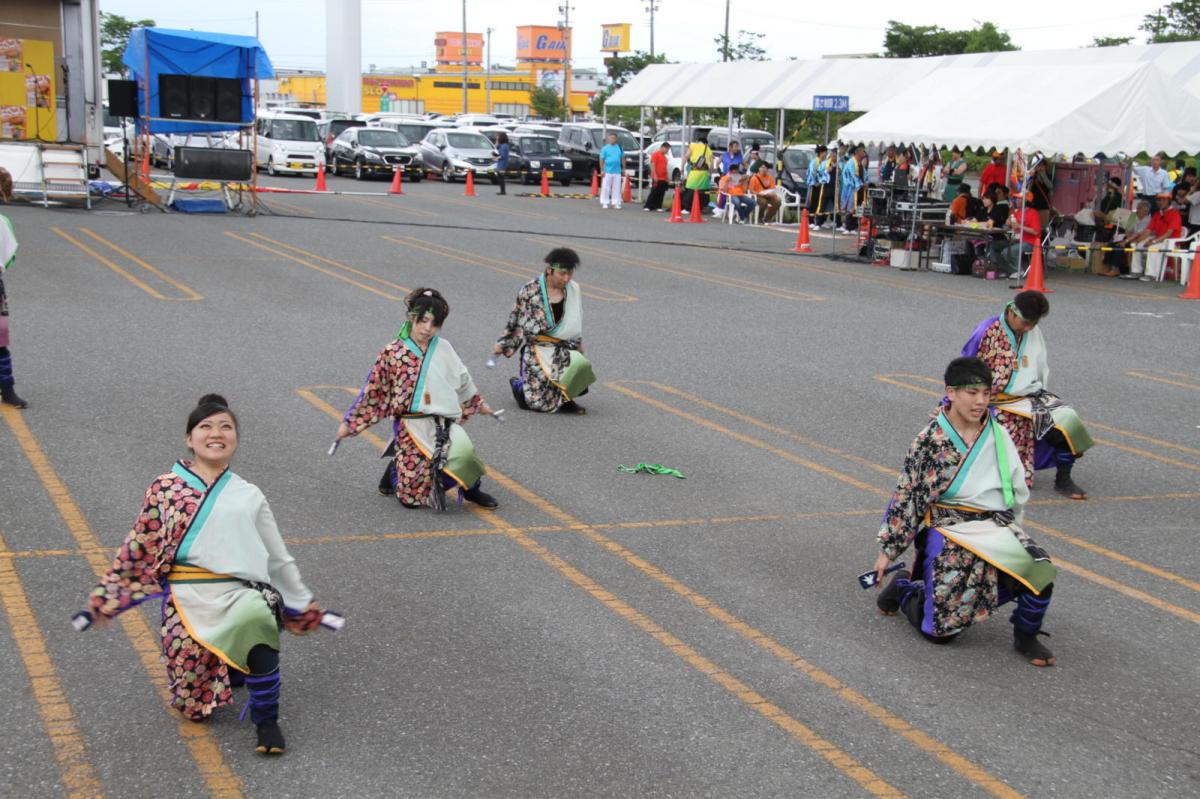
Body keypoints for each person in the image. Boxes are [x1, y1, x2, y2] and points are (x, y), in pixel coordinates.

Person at [86, 394, 324, 752]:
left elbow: (277, 556)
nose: (217, 433)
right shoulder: (164, 486)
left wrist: (299, 601)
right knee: (193, 707)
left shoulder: (248, 494)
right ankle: (229, 667)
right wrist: (110, 595)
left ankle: (267, 722)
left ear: (235, 439)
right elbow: (139, 543)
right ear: (190, 438)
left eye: (226, 427)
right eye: (206, 427)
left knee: (257, 623)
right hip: (186, 597)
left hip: (240, 593)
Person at [873, 357, 1057, 667]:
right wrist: (887, 552)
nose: (981, 401)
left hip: (993, 523)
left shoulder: (996, 432)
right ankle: (905, 588)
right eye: (972, 393)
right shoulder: (929, 441)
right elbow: (909, 497)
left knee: (1039, 571)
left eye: (986, 393)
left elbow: (1014, 481)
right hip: (949, 526)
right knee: (941, 633)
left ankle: (1026, 635)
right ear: (951, 392)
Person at [338, 288, 500, 510]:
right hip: (410, 426)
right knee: (412, 499)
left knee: (464, 455)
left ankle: (472, 489)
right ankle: (396, 469)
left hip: (442, 422)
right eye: (423, 321)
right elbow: (375, 391)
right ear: (412, 317)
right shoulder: (392, 352)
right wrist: (351, 424)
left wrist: (478, 403)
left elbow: (462, 378)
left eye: (434, 324)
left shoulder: (444, 348)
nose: (427, 328)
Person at [962, 291, 1094, 500]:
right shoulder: (986, 331)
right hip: (994, 400)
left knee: (1067, 419)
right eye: (1025, 323)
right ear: (1012, 312)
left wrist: (1039, 395)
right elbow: (965, 368)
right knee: (1007, 426)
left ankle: (1063, 479)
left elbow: (1039, 367)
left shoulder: (1033, 331)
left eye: (1033, 323)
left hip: (1028, 396)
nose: (1029, 328)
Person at [493, 247, 595, 415]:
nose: (567, 278)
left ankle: (567, 400)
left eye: (570, 273)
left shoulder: (573, 289)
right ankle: (519, 387)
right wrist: (504, 344)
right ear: (550, 270)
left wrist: (578, 343)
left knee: (579, 366)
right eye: (562, 273)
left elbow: (575, 320)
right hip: (538, 349)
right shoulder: (531, 290)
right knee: (536, 404)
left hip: (564, 347)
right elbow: (517, 320)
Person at [0, 168, 26, 408]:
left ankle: (7, 388)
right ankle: (7, 389)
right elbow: (9, 257)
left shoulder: (2, 222)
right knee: (0, 342)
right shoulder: (3, 222)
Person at [1123, 192, 1184, 281]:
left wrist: (1154, 241)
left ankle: (1151, 274)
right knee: (1138, 245)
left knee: (1152, 247)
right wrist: (1137, 241)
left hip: (1170, 242)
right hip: (1158, 239)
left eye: (1164, 200)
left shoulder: (1175, 214)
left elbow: (1169, 233)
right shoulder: (1157, 214)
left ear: (1169, 201)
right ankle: (1136, 272)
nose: (1160, 202)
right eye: (1159, 200)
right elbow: (1148, 231)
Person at [1001, 191, 1041, 280]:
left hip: (1030, 242)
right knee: (997, 246)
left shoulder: (1033, 213)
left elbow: (1035, 232)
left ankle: (1018, 270)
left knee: (1009, 251)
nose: (1016, 200)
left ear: (1026, 201)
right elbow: (1011, 221)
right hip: (1017, 240)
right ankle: (1007, 270)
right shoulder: (1018, 211)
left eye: (1019, 199)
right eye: (1017, 198)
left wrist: (1020, 226)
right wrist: (1008, 221)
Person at [682, 133, 714, 214]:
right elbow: (711, 164)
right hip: (704, 173)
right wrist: (710, 174)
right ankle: (701, 207)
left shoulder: (693, 145)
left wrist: (682, 168)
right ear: (706, 143)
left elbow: (686, 157)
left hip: (695, 171)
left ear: (697, 141)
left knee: (690, 189)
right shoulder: (709, 149)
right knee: (703, 190)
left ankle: (687, 208)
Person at [806, 144, 830, 228]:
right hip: (814, 184)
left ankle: (819, 220)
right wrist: (817, 181)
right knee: (813, 202)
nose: (826, 154)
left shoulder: (825, 162)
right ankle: (811, 220)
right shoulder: (814, 161)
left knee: (820, 203)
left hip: (821, 185)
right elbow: (813, 173)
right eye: (825, 152)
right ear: (821, 153)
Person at [598, 132, 624, 209]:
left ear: (616, 139)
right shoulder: (605, 148)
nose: (612, 139)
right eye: (611, 138)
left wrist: (624, 168)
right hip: (607, 171)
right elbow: (601, 159)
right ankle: (605, 202)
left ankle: (616, 202)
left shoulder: (619, 147)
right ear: (609, 139)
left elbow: (622, 158)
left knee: (616, 187)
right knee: (606, 187)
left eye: (614, 138)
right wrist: (602, 170)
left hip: (617, 171)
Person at [644, 142, 670, 212]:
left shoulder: (665, 157)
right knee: (654, 192)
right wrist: (654, 175)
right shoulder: (656, 154)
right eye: (666, 149)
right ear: (662, 147)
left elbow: (665, 168)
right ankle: (648, 206)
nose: (667, 151)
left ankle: (658, 206)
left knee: (661, 193)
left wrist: (667, 178)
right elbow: (653, 164)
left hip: (663, 177)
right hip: (657, 177)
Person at [494, 131, 510, 195]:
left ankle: (503, 191)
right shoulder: (501, 145)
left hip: (502, 163)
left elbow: (503, 156)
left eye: (498, 137)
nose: (497, 138)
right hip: (500, 163)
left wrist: (496, 158)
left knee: (501, 177)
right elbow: (496, 147)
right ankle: (502, 190)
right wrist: (497, 141)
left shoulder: (504, 146)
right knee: (499, 177)